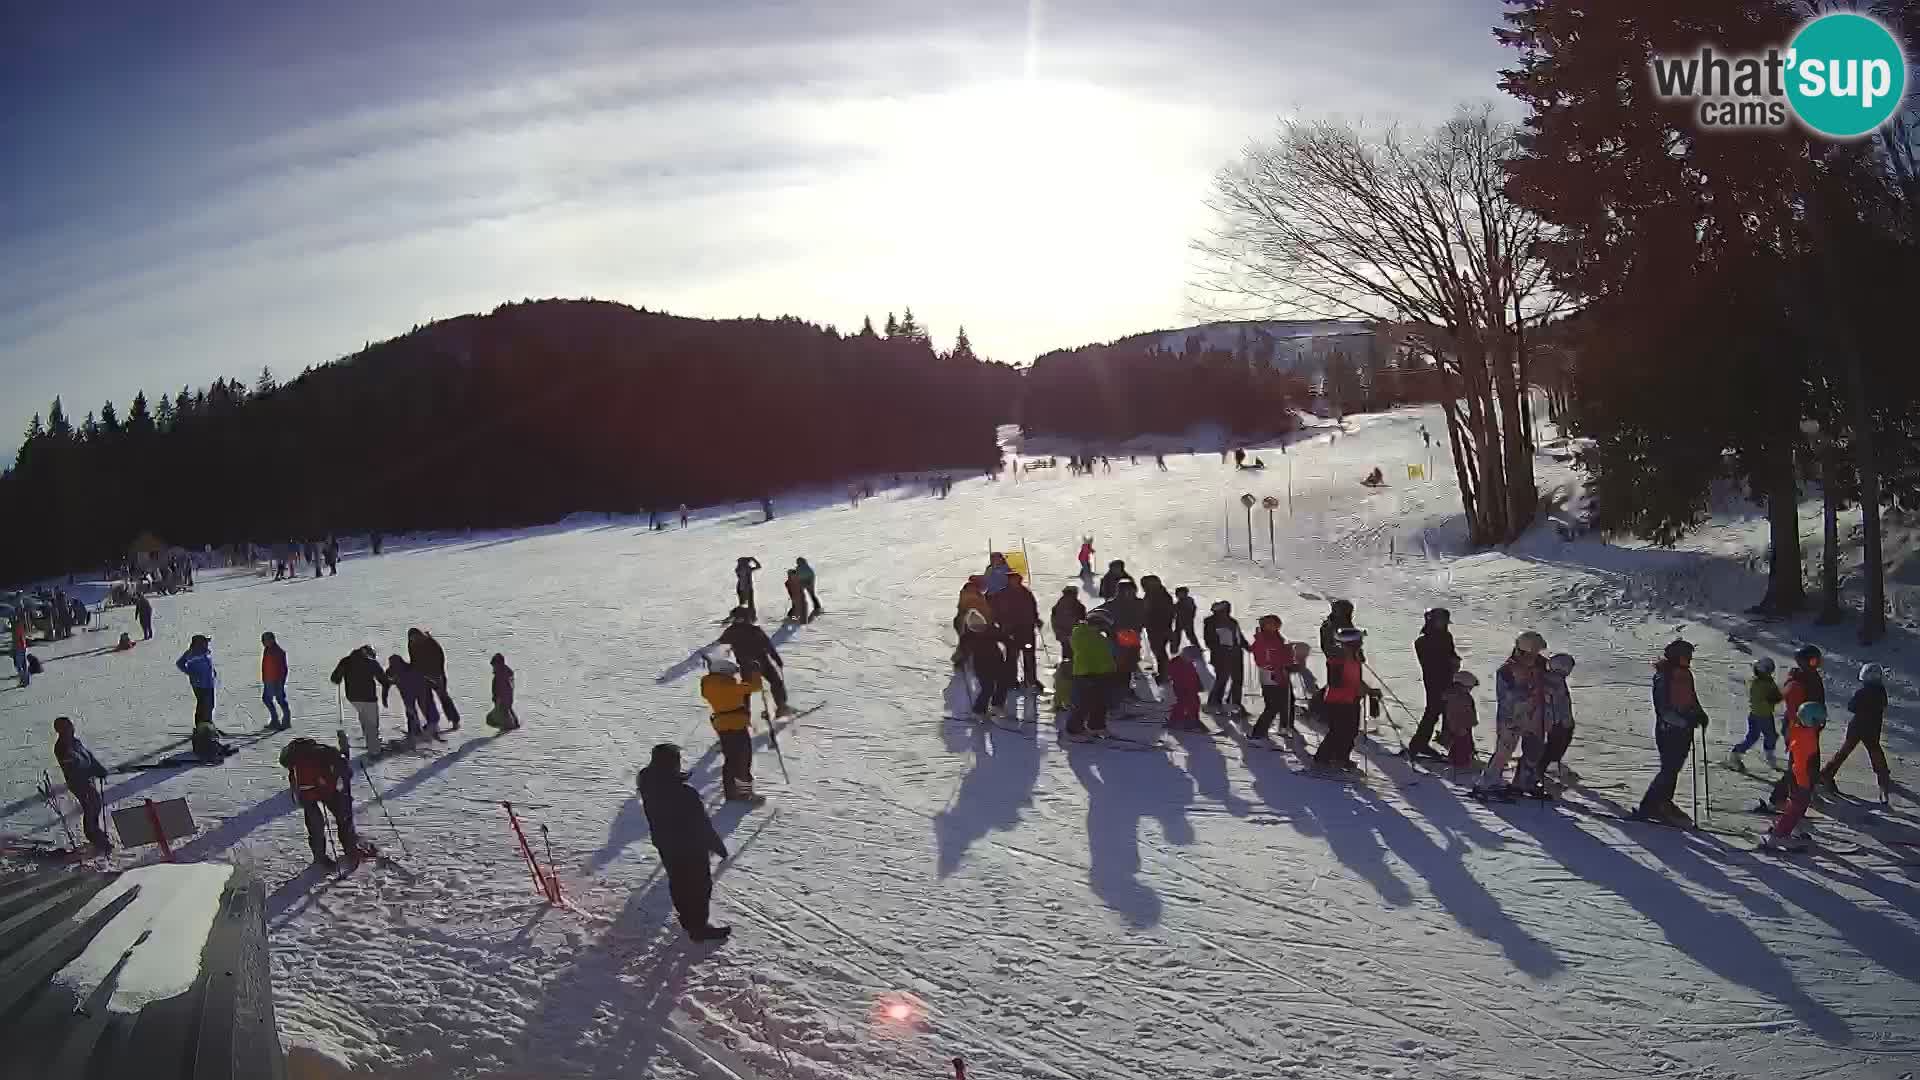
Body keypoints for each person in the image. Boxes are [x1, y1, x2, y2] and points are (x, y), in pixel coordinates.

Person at [638, 744, 732, 941]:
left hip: (666, 843)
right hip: (689, 847)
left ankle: (688, 920)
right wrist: (718, 847)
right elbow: (702, 826)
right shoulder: (684, 794)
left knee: (679, 882)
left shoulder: (647, 783)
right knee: (699, 886)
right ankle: (698, 928)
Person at [1633, 639, 1708, 824]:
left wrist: (1699, 714)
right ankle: (1649, 806)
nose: (1690, 659)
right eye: (1686, 655)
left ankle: (1663, 802)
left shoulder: (1686, 674)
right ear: (1677, 656)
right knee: (1668, 769)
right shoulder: (1664, 676)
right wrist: (1682, 721)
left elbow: (1691, 698)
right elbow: (1663, 708)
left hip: (1684, 728)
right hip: (1669, 729)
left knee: (1673, 769)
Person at [1473, 632, 1546, 800]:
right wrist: (1526, 691)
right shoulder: (1507, 670)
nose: (1536, 656)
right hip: (1512, 717)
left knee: (1534, 749)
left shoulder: (1539, 665)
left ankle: (1524, 781)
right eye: (1533, 653)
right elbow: (1509, 696)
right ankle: (1487, 783)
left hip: (1534, 715)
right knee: (1504, 751)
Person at [281, 736, 369, 866]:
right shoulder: (304, 769)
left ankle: (350, 849)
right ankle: (320, 857)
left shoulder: (336, 760)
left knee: (343, 814)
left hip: (325, 785)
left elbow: (344, 782)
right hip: (307, 789)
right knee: (316, 824)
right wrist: (322, 791)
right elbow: (307, 792)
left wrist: (341, 797)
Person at [1760, 702, 1827, 852]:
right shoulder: (1807, 737)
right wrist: (1807, 782)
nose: (1822, 724)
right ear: (1813, 721)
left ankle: (1788, 829)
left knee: (1796, 804)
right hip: (1801, 777)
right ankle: (1779, 835)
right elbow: (1804, 762)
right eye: (1819, 721)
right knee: (1797, 806)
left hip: (1797, 774)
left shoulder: (1799, 729)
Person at [1820, 663, 1891, 804]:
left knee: (1844, 751)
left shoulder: (1862, 692)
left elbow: (1851, 707)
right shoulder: (1881, 691)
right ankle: (1883, 780)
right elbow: (1883, 705)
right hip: (1873, 727)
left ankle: (1826, 774)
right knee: (1875, 752)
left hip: (1858, 726)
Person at [1766, 645, 1826, 809]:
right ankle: (1781, 798)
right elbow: (1785, 700)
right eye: (1813, 661)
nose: (1816, 664)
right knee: (1799, 765)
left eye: (1817, 660)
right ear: (1803, 662)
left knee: (1811, 763)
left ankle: (1806, 792)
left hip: (1811, 727)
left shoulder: (1813, 677)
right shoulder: (1797, 681)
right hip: (1798, 729)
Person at [1315, 627, 1379, 772]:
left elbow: (1356, 679)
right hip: (1338, 701)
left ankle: (1341, 758)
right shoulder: (1337, 659)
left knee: (1351, 732)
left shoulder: (1354, 657)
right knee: (1338, 732)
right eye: (1359, 641)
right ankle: (1322, 760)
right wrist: (1357, 689)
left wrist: (1368, 690)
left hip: (1351, 700)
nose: (1361, 643)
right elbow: (1336, 683)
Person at [700, 655, 762, 801]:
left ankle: (730, 791)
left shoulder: (708, 686)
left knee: (730, 759)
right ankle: (745, 793)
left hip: (722, 726)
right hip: (737, 725)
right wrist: (755, 672)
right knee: (743, 759)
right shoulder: (729, 687)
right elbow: (756, 686)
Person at [717, 608, 793, 715]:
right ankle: (781, 706)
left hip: (746, 665)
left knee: (746, 689)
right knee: (775, 681)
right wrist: (777, 659)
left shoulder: (730, 631)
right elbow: (768, 647)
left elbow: (721, 643)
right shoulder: (755, 630)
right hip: (762, 662)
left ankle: (744, 713)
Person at [53, 717, 112, 853]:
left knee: (96, 805)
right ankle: (94, 837)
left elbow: (88, 757)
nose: (72, 728)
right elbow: (74, 766)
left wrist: (98, 768)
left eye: (71, 726)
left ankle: (97, 834)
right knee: (90, 808)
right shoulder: (62, 747)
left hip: (87, 781)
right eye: (68, 727)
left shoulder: (75, 742)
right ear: (61, 730)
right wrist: (90, 771)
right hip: (78, 784)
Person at [1407, 608, 1458, 760]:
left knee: (1447, 710)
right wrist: (1449, 663)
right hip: (1434, 680)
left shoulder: (1446, 636)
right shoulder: (1422, 641)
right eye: (1440, 621)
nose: (1442, 625)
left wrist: (1455, 661)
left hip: (1448, 677)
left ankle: (1446, 740)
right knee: (1433, 711)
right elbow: (1431, 663)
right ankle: (1418, 744)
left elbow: (1451, 653)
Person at [330, 645, 391, 753]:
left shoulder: (346, 661)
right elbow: (383, 679)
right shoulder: (371, 663)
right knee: (372, 722)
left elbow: (334, 678)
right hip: (368, 697)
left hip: (353, 697)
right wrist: (390, 682)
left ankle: (371, 740)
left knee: (364, 716)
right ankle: (374, 748)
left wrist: (339, 677)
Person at [1727, 657, 1783, 772]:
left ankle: (1738, 754)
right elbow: (1758, 699)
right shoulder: (1756, 683)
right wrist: (1771, 699)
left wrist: (1777, 696)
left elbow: (1775, 692)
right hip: (1760, 715)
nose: (1769, 673)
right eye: (1767, 671)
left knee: (1762, 736)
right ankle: (1738, 754)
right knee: (1766, 736)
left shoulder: (1768, 681)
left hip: (1763, 714)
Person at [1067, 612, 1117, 736]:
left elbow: (1107, 654)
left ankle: (1097, 726)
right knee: (1083, 704)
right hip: (1086, 673)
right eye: (1103, 626)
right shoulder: (1082, 634)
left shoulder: (1096, 636)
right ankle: (1074, 730)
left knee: (1100, 703)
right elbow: (1095, 652)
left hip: (1100, 673)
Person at [992, 572, 1043, 689]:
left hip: (1027, 630)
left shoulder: (1026, 593)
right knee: (1012, 657)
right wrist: (1001, 625)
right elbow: (995, 612)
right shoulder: (1002, 594)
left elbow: (1032, 608)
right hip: (1011, 631)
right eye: (1014, 579)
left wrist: (1036, 620)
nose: (1016, 581)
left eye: (1018, 579)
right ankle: (1011, 680)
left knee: (1029, 655)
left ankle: (1031, 680)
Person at [405, 628, 461, 730]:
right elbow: (414, 659)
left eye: (415, 637)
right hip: (422, 675)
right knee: (426, 699)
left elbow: (440, 659)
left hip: (436, 675)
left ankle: (455, 720)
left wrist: (436, 674)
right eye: (411, 638)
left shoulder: (431, 643)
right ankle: (432, 722)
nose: (413, 640)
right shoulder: (411, 644)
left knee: (443, 697)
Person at [1248, 614, 1293, 740]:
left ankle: (1282, 727)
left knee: (1283, 702)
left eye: (1276, 623)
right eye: (1272, 623)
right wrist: (1277, 666)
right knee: (1273, 705)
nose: (1276, 626)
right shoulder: (1263, 640)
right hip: (1271, 675)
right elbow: (1262, 660)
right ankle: (1258, 732)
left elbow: (1282, 655)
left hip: (1280, 674)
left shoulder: (1276, 637)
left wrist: (1289, 658)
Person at [960, 610, 1012, 718]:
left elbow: (1004, 638)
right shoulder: (968, 636)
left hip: (997, 660)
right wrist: (964, 658)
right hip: (981, 665)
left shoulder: (990, 629)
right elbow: (964, 649)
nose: (978, 629)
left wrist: (1010, 642)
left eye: (980, 626)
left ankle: (997, 705)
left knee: (1003, 682)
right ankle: (978, 710)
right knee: (988, 688)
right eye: (975, 627)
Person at [1535, 653, 1577, 786]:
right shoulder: (1554, 681)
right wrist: (1560, 720)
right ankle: (1542, 768)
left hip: (1559, 720)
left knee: (1558, 742)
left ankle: (1550, 764)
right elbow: (1556, 704)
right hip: (1558, 721)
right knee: (1556, 744)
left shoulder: (1555, 678)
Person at [1203, 601, 1251, 716]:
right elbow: (1209, 641)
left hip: (1236, 654)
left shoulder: (1232, 621)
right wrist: (1222, 650)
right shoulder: (1211, 622)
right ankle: (1214, 703)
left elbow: (1239, 636)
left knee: (1237, 680)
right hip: (1221, 656)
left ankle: (1235, 704)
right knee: (1222, 679)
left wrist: (1247, 647)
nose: (1228, 612)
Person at [383, 654, 443, 739]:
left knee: (412, 711)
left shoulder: (394, 670)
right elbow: (423, 678)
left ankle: (416, 729)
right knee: (420, 709)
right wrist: (434, 686)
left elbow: (387, 684)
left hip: (415, 691)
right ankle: (427, 727)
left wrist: (384, 697)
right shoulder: (405, 668)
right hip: (416, 691)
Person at [177, 634, 218, 732]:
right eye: (205, 642)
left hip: (209, 682)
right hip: (199, 684)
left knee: (210, 704)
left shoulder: (206, 651)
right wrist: (190, 672)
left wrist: (213, 671)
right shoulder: (191, 653)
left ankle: (208, 723)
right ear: (199, 643)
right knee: (203, 705)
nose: (207, 644)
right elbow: (180, 663)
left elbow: (209, 663)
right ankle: (201, 726)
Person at [1166, 646, 1210, 732]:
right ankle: (1175, 720)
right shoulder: (1177, 663)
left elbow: (1194, 675)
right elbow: (1175, 676)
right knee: (1182, 704)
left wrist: (1199, 685)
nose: (1194, 660)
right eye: (1193, 658)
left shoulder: (1188, 663)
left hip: (1191, 688)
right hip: (1182, 688)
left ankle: (1193, 719)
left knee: (1194, 702)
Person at [1442, 671, 1480, 771]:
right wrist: (1458, 727)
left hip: (1465, 724)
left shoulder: (1463, 695)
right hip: (1460, 726)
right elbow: (1453, 714)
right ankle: (1460, 762)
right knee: (1461, 744)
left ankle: (1465, 756)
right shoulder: (1457, 697)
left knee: (1466, 742)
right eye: (1470, 687)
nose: (1470, 690)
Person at [1141, 576, 1176, 682]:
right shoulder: (1158, 594)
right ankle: (1165, 673)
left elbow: (1162, 614)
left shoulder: (1157, 596)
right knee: (1159, 651)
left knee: (1159, 651)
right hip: (1157, 628)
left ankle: (1164, 674)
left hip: (1158, 628)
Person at [261, 632, 291, 730]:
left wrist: (281, 681)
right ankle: (275, 720)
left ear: (272, 640)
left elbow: (284, 669)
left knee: (280, 699)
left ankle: (286, 721)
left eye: (264, 640)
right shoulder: (267, 650)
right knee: (267, 699)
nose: (263, 643)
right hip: (269, 680)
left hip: (276, 681)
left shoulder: (279, 652)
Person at [1050, 587, 1086, 664]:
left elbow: (1054, 620)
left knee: (1066, 648)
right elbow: (1083, 619)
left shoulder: (1057, 606)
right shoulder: (1078, 606)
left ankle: (1066, 665)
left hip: (1062, 632)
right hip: (1075, 633)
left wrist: (1057, 631)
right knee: (1074, 651)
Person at [486, 653, 522, 730]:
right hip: (504, 700)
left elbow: (503, 689)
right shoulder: (504, 673)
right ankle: (513, 725)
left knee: (491, 719)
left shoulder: (501, 675)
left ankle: (509, 727)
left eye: (494, 665)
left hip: (502, 701)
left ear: (498, 664)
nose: (493, 668)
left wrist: (499, 699)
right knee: (506, 712)